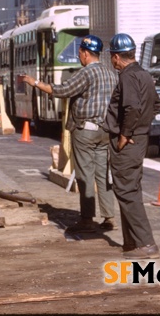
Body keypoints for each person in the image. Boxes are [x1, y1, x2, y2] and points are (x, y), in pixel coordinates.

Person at [19, 35, 117, 234]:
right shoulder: (111, 74)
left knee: (85, 175)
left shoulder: (86, 73)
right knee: (103, 174)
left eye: (80, 52)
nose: (79, 56)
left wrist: (35, 82)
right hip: (105, 131)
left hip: (85, 131)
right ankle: (108, 217)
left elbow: (62, 90)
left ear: (86, 53)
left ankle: (87, 219)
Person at [103, 33, 160, 260]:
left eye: (112, 57)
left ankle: (146, 243)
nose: (112, 61)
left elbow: (131, 108)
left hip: (128, 143)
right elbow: (156, 104)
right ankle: (132, 241)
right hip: (140, 140)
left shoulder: (127, 77)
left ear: (116, 57)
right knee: (130, 189)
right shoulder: (144, 74)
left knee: (126, 191)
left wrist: (125, 135)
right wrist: (141, 127)